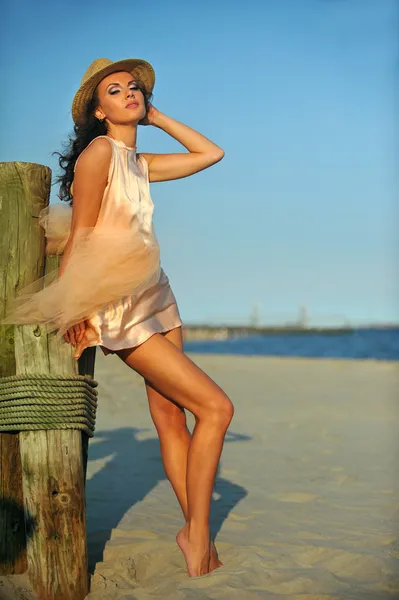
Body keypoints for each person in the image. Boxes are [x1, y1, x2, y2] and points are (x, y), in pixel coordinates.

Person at [44, 57, 234, 577]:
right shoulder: (100, 153)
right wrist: (73, 308)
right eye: (115, 90)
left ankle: (196, 533)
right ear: (98, 111)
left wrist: (158, 116)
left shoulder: (139, 161)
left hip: (158, 296)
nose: (128, 93)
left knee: (171, 418)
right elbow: (81, 234)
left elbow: (210, 153)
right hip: (120, 305)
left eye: (135, 88)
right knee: (217, 409)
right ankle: (196, 535)